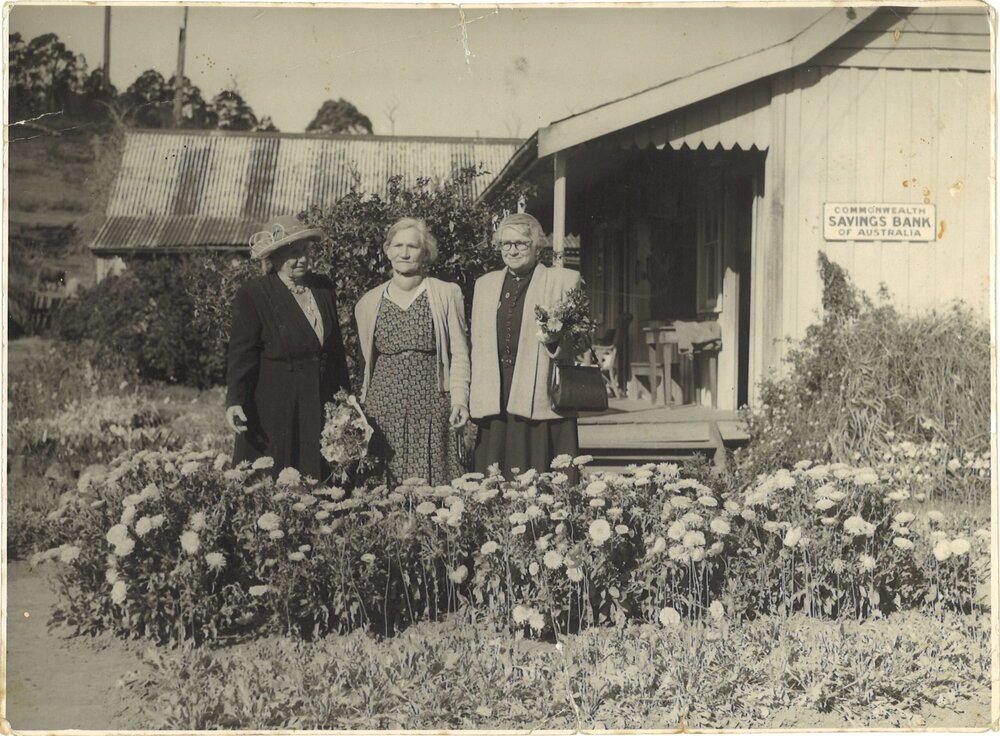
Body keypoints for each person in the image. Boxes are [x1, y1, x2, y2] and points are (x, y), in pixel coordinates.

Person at [225, 215, 351, 478]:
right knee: (280, 472)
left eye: (305, 250)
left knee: (321, 471)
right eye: (293, 253)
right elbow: (242, 353)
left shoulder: (323, 289)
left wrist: (345, 397)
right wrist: (235, 400)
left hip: (319, 396)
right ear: (275, 258)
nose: (302, 258)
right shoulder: (255, 294)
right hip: (276, 401)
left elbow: (335, 350)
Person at [355, 218, 470, 485]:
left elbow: (460, 354)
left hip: (432, 407)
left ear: (425, 252)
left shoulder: (446, 293)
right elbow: (366, 363)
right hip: (383, 409)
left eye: (412, 246)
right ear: (387, 250)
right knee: (382, 483)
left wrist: (460, 400)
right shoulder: (368, 302)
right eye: (398, 245)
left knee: (434, 484)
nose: (404, 253)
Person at [469, 212, 584, 477]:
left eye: (521, 243)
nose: (512, 250)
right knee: (494, 478)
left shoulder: (564, 281)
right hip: (496, 393)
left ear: (537, 246)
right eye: (505, 244)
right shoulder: (484, 286)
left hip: (541, 392)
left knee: (541, 475)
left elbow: (583, 338)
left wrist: (558, 340)